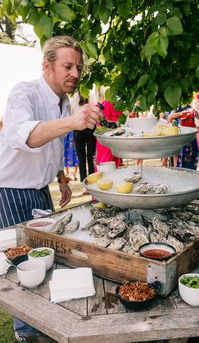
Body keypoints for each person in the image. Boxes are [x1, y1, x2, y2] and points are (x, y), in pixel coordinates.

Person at [0, 35, 103, 342]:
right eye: (68, 66)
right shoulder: (24, 93)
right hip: (10, 189)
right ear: (47, 66)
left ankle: (44, 324)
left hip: (41, 188)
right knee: (22, 264)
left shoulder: (65, 102)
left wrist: (60, 177)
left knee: (47, 256)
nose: (75, 73)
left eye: (79, 67)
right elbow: (27, 137)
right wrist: (73, 121)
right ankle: (27, 332)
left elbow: (53, 144)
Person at [71, 94, 96, 185]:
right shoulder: (91, 97)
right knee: (90, 156)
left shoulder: (73, 99)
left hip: (78, 130)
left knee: (81, 158)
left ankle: (84, 182)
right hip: (89, 128)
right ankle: (92, 180)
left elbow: (71, 113)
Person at [168, 105, 199, 170]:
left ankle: (192, 170)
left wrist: (196, 113)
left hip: (192, 134)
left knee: (193, 154)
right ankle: (178, 170)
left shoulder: (190, 106)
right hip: (182, 134)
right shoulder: (177, 107)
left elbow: (198, 118)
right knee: (180, 155)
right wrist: (181, 113)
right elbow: (170, 117)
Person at [95, 99, 123, 167]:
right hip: (110, 136)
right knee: (107, 160)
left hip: (104, 135)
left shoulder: (105, 103)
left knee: (104, 158)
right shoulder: (110, 103)